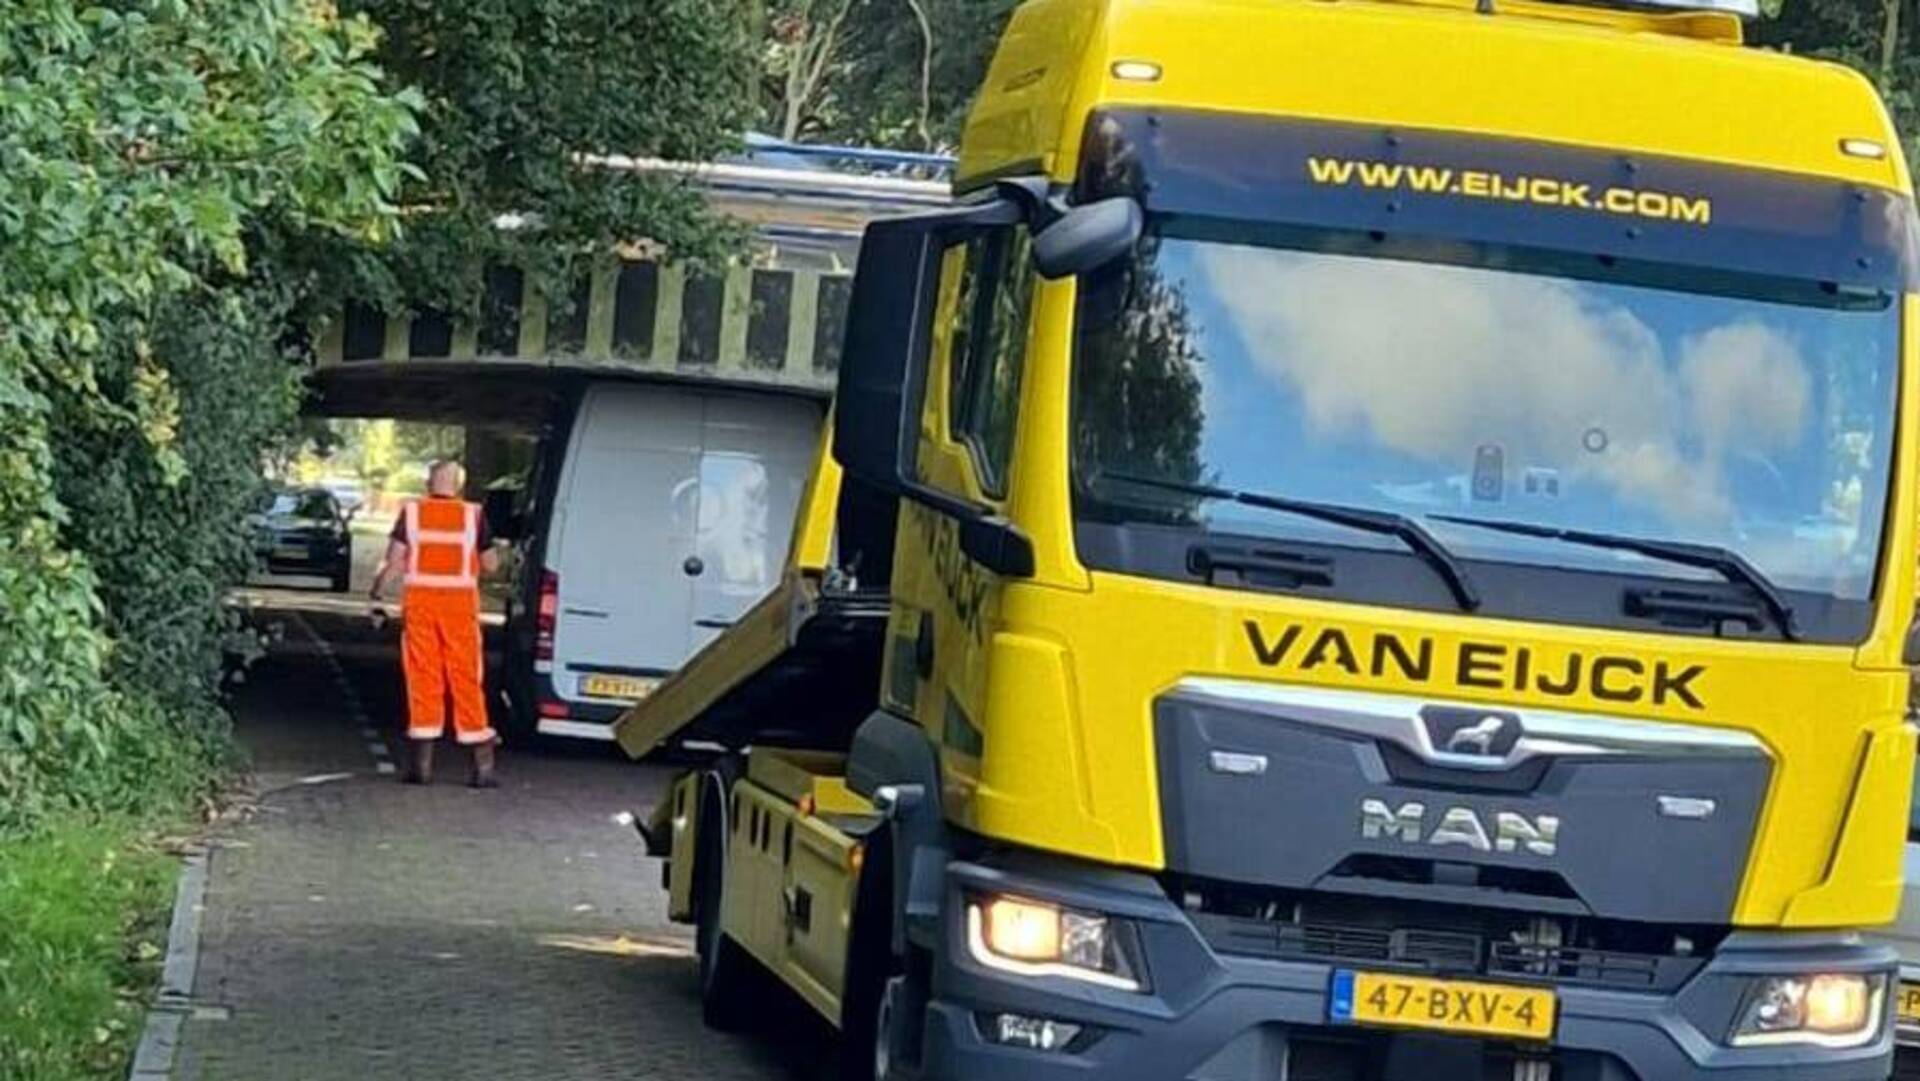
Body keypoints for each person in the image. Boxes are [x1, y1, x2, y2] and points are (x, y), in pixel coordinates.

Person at [368, 460, 502, 787]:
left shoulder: (412, 514)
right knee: (466, 678)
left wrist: (376, 594)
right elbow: (491, 565)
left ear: (429, 483)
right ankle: (482, 767)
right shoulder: (473, 515)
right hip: (460, 612)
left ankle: (421, 767)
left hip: (421, 609)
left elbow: (394, 562)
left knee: (423, 678)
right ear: (458, 486)